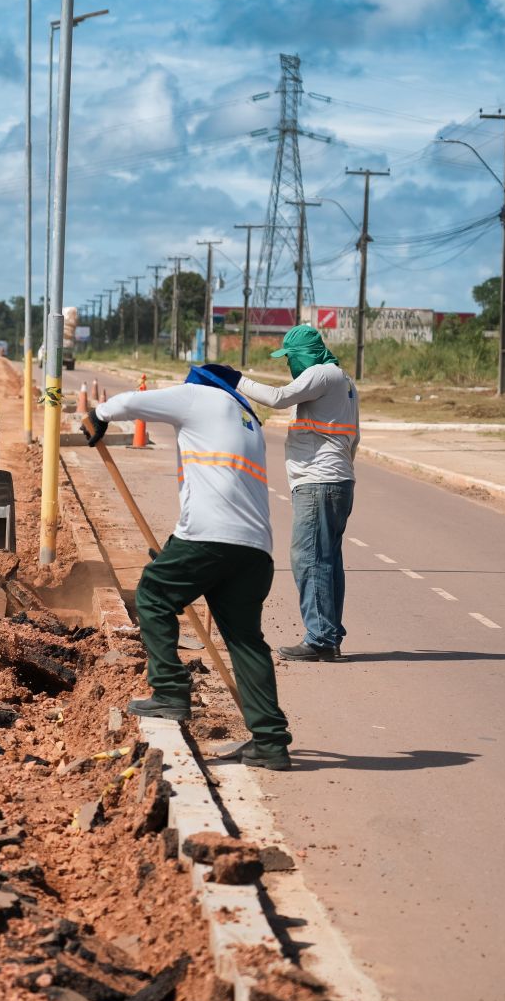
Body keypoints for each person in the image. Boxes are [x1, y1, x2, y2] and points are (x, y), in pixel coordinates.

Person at [85, 365, 294, 771]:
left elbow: (130, 402)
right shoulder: (247, 418)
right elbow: (219, 485)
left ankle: (169, 692)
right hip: (254, 550)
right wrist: (172, 552)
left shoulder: (202, 396)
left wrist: (99, 414)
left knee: (153, 594)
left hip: (211, 536)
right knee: (247, 642)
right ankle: (270, 741)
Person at [227, 324, 360, 661]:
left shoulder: (321, 374)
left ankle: (319, 639)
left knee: (309, 559)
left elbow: (278, 398)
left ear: (305, 353)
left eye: (290, 357)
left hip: (319, 482)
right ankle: (328, 634)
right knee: (328, 561)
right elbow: (353, 438)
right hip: (336, 481)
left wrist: (235, 379)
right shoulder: (344, 381)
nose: (288, 364)